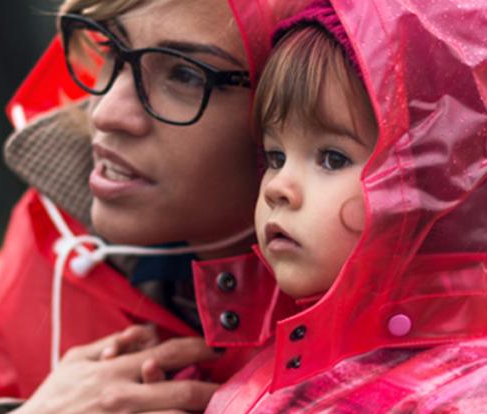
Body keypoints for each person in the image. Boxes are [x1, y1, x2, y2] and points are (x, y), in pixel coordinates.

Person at [0, 0, 310, 413]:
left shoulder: (374, 332)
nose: (107, 112)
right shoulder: (54, 244)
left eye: (184, 73)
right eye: (112, 47)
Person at [188, 0, 487, 412]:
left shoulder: (461, 395)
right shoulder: (285, 354)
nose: (279, 188)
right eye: (275, 157)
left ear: (436, 188)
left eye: (332, 158)